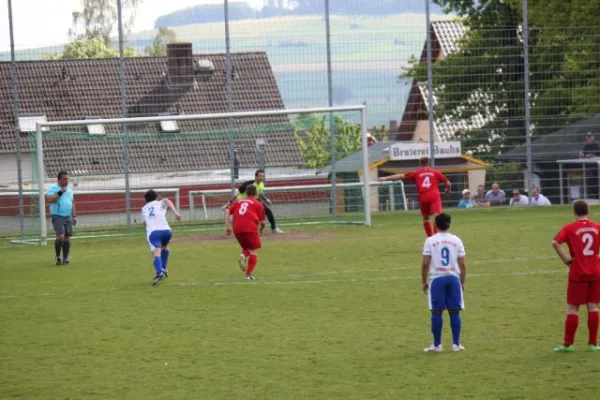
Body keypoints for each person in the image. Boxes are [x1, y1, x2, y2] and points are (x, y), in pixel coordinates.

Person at [551, 200, 600, 352]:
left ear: (574, 211)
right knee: (593, 307)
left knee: (573, 308)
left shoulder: (569, 228)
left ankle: (568, 344)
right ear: (588, 210)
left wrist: (565, 259)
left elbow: (555, 242)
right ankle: (593, 344)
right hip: (596, 271)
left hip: (578, 273)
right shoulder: (597, 227)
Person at [422, 213, 467, 353]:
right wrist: (462, 282)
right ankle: (456, 344)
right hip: (453, 278)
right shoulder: (457, 240)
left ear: (435, 224)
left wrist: (424, 281)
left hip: (437, 279)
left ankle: (437, 345)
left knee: (436, 312)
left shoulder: (430, 240)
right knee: (455, 311)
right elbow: (463, 264)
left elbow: (425, 264)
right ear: (449, 224)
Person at [378, 157, 451, 237]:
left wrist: (385, 178)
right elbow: (448, 183)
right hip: (434, 196)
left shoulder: (416, 173)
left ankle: (430, 238)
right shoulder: (435, 172)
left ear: (419, 163)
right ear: (428, 163)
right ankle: (437, 238)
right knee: (436, 218)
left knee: (426, 218)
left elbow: (400, 176)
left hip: (423, 196)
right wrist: (448, 190)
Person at [225, 185, 266, 280]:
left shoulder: (238, 201)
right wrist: (260, 231)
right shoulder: (258, 204)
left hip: (237, 229)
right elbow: (263, 222)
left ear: (246, 192)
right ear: (256, 193)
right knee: (253, 251)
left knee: (247, 247)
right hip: (250, 228)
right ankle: (248, 275)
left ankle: (243, 255)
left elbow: (227, 211)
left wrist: (228, 226)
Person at [141, 189, 181, 286]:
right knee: (165, 247)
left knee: (156, 253)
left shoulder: (144, 208)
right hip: (166, 231)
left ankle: (159, 273)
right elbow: (167, 201)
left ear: (146, 200)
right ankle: (163, 268)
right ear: (156, 197)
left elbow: (145, 223)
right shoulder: (161, 203)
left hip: (154, 233)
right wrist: (176, 212)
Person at [223, 169, 283, 234]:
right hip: (242, 201)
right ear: (256, 177)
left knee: (268, 211)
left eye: (263, 176)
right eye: (260, 176)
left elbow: (260, 192)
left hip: (254, 201)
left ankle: (273, 228)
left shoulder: (261, 184)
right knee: (239, 214)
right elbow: (237, 193)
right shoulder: (249, 184)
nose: (262, 178)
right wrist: (230, 202)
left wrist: (265, 199)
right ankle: (232, 228)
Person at [45, 171, 77, 266]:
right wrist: (60, 192)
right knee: (60, 236)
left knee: (67, 238)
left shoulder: (70, 190)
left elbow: (72, 203)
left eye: (67, 179)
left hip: (68, 216)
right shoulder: (53, 189)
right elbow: (50, 199)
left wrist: (74, 216)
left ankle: (65, 259)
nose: (67, 181)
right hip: (57, 215)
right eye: (64, 179)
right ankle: (58, 257)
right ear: (59, 180)